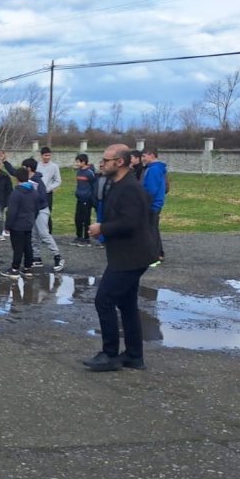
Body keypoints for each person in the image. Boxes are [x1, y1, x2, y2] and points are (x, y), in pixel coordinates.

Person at [82, 144, 158, 372]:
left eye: (106, 160)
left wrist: (101, 228)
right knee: (127, 304)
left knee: (103, 300)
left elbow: (131, 222)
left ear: (120, 162)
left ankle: (109, 354)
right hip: (127, 255)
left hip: (131, 256)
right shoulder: (118, 185)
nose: (102, 163)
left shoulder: (130, 189)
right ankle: (134, 356)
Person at [0, 153, 64, 273]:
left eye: (23, 167)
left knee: (44, 233)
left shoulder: (37, 181)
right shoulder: (26, 179)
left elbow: (42, 197)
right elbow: (14, 172)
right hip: (31, 211)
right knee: (33, 235)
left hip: (41, 210)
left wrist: (30, 200)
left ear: (28, 169)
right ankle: (36, 257)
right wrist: (5, 162)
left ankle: (58, 257)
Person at [0, 167, 39, 278]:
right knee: (28, 246)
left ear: (17, 178)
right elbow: (36, 209)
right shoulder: (34, 192)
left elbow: (11, 212)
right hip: (28, 224)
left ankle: (15, 269)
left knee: (17, 248)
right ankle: (28, 268)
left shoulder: (16, 193)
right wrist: (32, 219)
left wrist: (8, 226)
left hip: (17, 225)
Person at [141, 147, 168, 265]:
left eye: (144, 156)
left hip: (151, 205)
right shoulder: (155, 169)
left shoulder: (153, 170)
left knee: (150, 230)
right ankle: (158, 253)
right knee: (153, 229)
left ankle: (154, 255)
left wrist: (143, 201)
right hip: (155, 204)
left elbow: (150, 189)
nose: (142, 159)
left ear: (151, 155)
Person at [71, 153, 97, 246]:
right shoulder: (79, 172)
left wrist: (90, 196)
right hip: (79, 198)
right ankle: (78, 236)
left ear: (83, 162)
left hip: (87, 199)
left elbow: (94, 185)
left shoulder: (90, 173)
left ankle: (86, 238)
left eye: (78, 162)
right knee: (78, 218)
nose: (77, 163)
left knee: (85, 219)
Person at [38, 147, 63, 234]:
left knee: (47, 213)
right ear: (41, 156)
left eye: (49, 155)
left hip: (47, 194)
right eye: (45, 155)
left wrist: (49, 188)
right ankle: (38, 233)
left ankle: (48, 233)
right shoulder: (37, 165)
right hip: (37, 193)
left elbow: (58, 181)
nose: (47, 157)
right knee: (37, 213)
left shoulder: (54, 166)